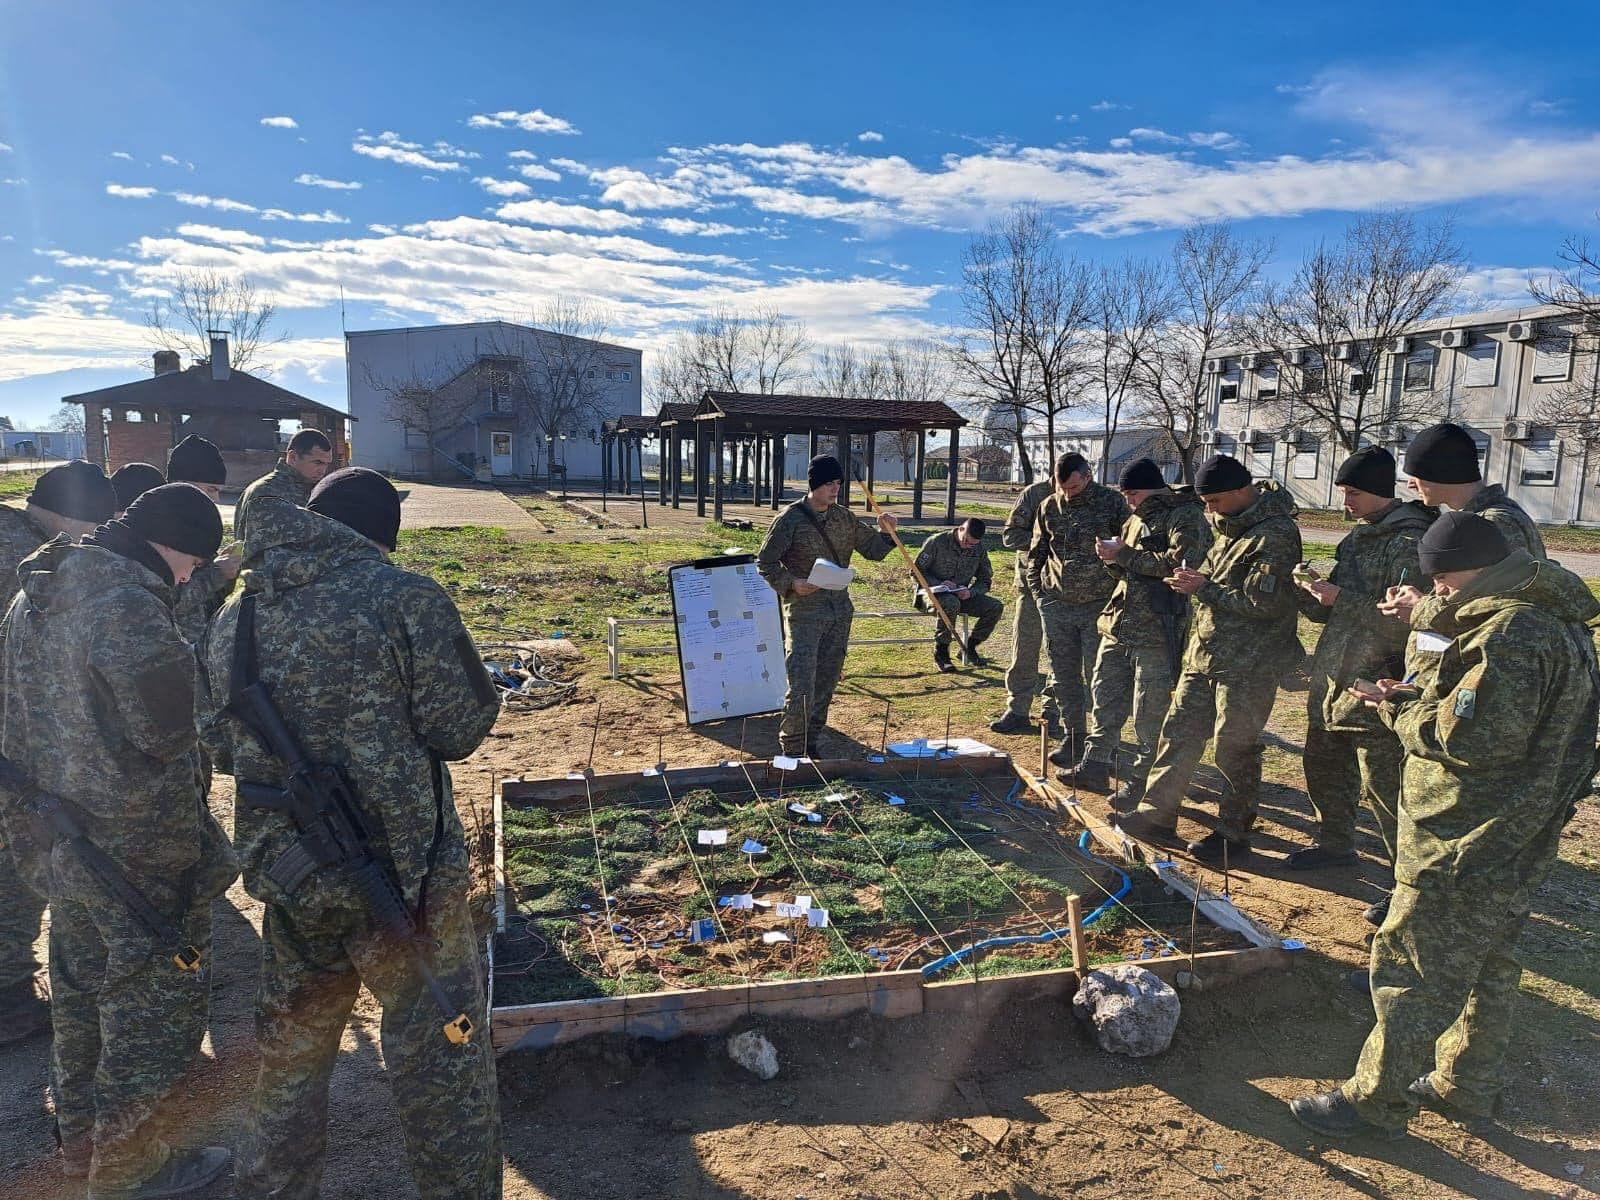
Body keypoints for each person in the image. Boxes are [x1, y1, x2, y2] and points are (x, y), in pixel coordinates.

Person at [201, 468, 502, 1199]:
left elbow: (215, 744)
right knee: (441, 1055)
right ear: (380, 531)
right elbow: (462, 727)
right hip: (402, 885)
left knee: (289, 1053)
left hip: (295, 879)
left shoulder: (234, 615)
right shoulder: (403, 598)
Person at [1289, 513, 1600, 1139]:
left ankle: (1373, 1103)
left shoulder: (1513, 631)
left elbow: (1474, 740)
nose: (1441, 595)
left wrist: (1397, 714)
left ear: (1470, 571)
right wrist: (1415, 698)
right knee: (1489, 959)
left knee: (1411, 965)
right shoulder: (1550, 616)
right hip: (1518, 826)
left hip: (1468, 831)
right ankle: (1465, 1083)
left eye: (1446, 585)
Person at [0, 483, 234, 1196]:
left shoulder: (36, 595)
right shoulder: (130, 611)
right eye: (193, 563)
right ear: (168, 545)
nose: (192, 578)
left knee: (78, 1004)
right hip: (138, 858)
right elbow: (166, 737)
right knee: (149, 1019)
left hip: (59, 843)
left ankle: (82, 1154)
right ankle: (134, 1172)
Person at [1115, 455, 1302, 862]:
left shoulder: (1276, 534)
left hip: (1247, 664)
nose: (1209, 510)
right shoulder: (1228, 527)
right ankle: (1156, 814)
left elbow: (1262, 603)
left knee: (1233, 748)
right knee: (1178, 733)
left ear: (1241, 490)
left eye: (1215, 500)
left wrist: (1203, 587)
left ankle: (1233, 834)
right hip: (1204, 655)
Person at [0, 460, 117, 1046]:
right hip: (11, 745)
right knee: (14, 871)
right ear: (71, 517)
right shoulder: (25, 563)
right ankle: (9, 999)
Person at [1291, 448, 1433, 876]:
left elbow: (1410, 622)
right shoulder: (1358, 537)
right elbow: (1331, 609)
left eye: (1353, 492)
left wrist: (1342, 600)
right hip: (1336, 677)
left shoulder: (1411, 541)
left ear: (1377, 490)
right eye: (1342, 492)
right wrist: (1311, 592)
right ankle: (1335, 845)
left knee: (1385, 787)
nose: (1345, 501)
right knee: (1324, 767)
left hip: (1380, 681)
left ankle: (1403, 881)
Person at [1078, 458, 1210, 807]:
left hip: (1157, 629)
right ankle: (1096, 761)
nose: (1129, 502)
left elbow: (1181, 567)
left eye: (1132, 494)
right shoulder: (1135, 519)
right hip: (1119, 623)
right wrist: (1112, 560)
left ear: (1148, 488)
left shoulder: (1186, 516)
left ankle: (1142, 779)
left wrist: (1126, 556)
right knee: (1104, 695)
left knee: (1149, 711)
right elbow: (1128, 572)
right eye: (1125, 496)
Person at [756, 454, 897, 757]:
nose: (834, 489)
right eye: (828, 483)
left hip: (839, 612)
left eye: (837, 483)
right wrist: (791, 583)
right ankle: (792, 750)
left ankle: (811, 742)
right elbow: (765, 562)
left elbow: (873, 551)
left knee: (826, 683)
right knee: (802, 686)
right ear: (813, 484)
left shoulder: (844, 518)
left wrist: (887, 534)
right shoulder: (790, 519)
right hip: (805, 612)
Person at [1026, 453, 1129, 769]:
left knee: (1101, 679)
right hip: (1057, 605)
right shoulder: (1049, 506)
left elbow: (1129, 548)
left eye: (1073, 486)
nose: (1068, 493)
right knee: (1064, 676)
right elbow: (1037, 552)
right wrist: (1039, 593)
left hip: (1099, 607)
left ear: (1088, 475)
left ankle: (1103, 745)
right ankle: (1073, 736)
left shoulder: (1112, 504)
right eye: (1062, 486)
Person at [990, 475, 1062, 736]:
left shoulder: (1093, 498)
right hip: (1031, 586)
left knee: (1060, 654)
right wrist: (1043, 541)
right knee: (1024, 650)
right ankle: (1018, 709)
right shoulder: (1034, 494)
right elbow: (1010, 536)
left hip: (1069, 591)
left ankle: (1052, 711)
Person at [166, 436, 242, 646]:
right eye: (210, 489)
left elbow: (209, 600)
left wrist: (226, 574)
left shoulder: (197, 525)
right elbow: (166, 602)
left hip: (202, 646)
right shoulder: (159, 529)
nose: (216, 499)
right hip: (174, 651)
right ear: (180, 483)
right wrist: (216, 574)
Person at [913, 517, 1003, 672]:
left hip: (960, 595)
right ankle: (941, 652)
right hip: (928, 595)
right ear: (961, 529)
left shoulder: (978, 549)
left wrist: (971, 591)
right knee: (950, 603)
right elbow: (916, 571)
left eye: (973, 544)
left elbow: (985, 580)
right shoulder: (936, 542)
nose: (969, 546)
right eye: (966, 541)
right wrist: (938, 584)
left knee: (995, 607)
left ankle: (969, 647)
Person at [233, 427, 333, 555]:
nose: (322, 470)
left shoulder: (305, 487)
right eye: (317, 462)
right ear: (292, 457)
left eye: (326, 464)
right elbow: (262, 554)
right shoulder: (267, 491)